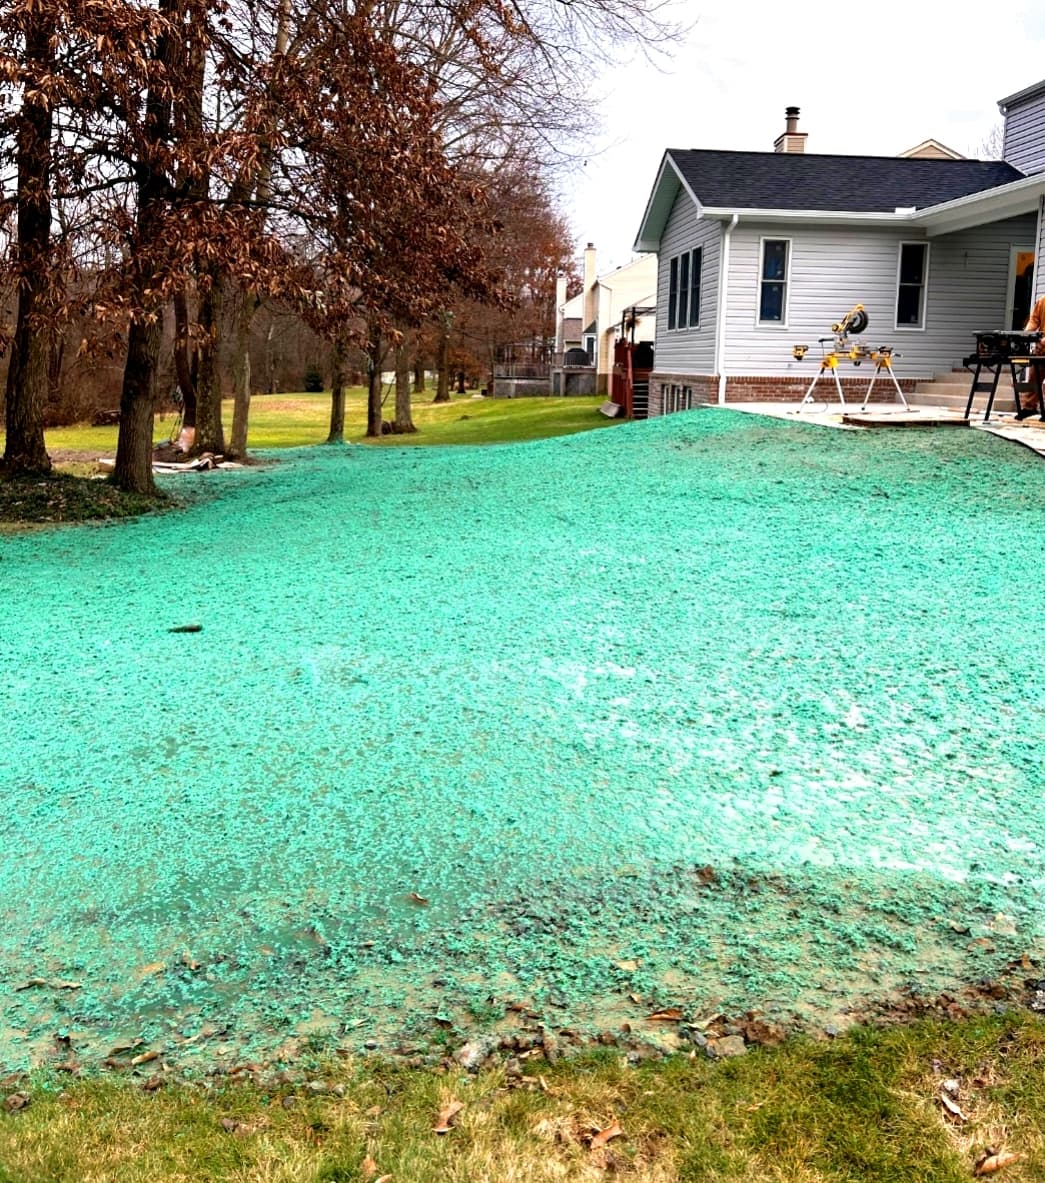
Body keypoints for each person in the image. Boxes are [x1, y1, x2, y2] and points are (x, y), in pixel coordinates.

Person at [1023, 293, 1045, 417]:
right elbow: (1034, 320)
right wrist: (1026, 334)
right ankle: (1029, 407)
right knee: (1034, 377)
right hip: (1042, 350)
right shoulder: (1042, 301)